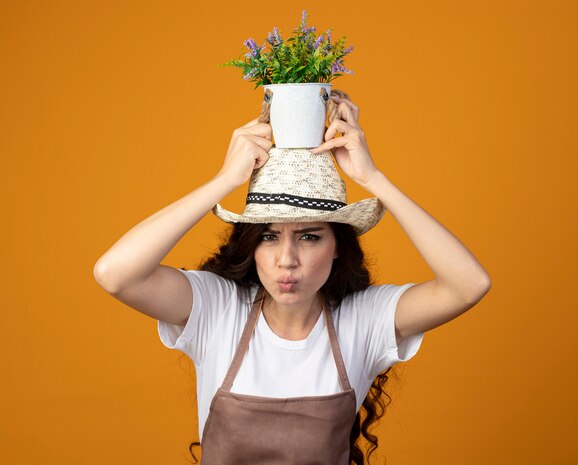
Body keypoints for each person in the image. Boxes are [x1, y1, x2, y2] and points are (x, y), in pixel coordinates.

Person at [93, 92, 491, 465]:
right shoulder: (218, 308)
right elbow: (116, 274)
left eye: (309, 237)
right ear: (252, 246)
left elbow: (468, 284)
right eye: (268, 236)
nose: (287, 260)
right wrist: (223, 182)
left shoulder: (363, 319)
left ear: (337, 245)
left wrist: (373, 179)